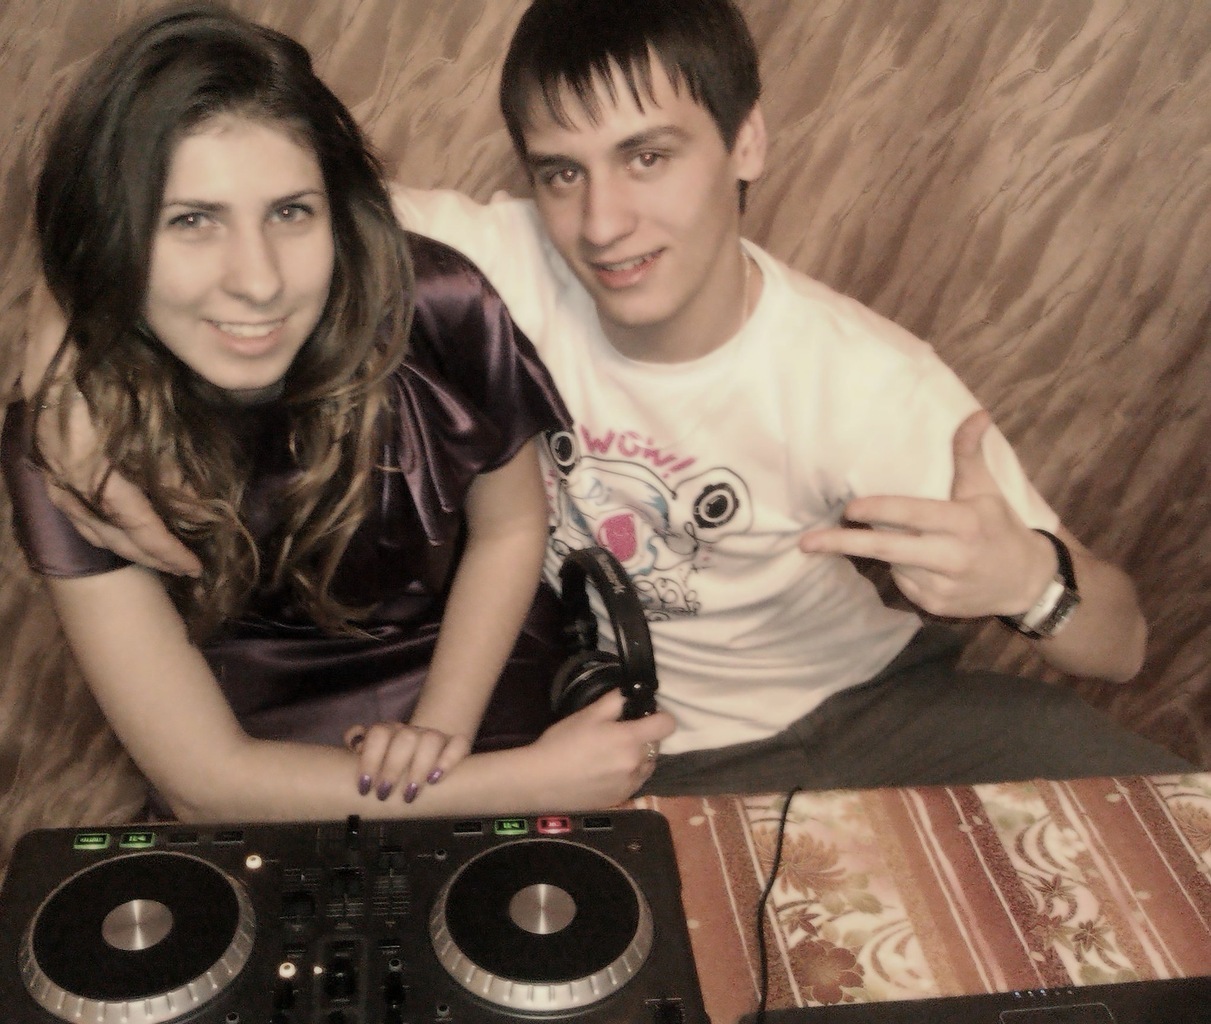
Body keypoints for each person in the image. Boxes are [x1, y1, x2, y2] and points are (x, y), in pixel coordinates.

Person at [22, 0, 1190, 794]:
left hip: (858, 713)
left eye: (648, 155)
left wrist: (1027, 581)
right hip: (596, 731)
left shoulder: (867, 384)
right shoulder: (486, 260)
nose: (603, 222)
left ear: (745, 141)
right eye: (561, 171)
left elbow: (1120, 643)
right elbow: (209, 220)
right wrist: (61, 353)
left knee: (1150, 818)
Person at [2, 1, 673, 823]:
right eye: (191, 221)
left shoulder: (435, 304)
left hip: (475, 669)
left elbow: (508, 529)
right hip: (256, 751)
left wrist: (438, 736)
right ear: (110, 232)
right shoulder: (72, 442)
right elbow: (203, 782)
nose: (258, 281)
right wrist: (531, 782)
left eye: (291, 212)